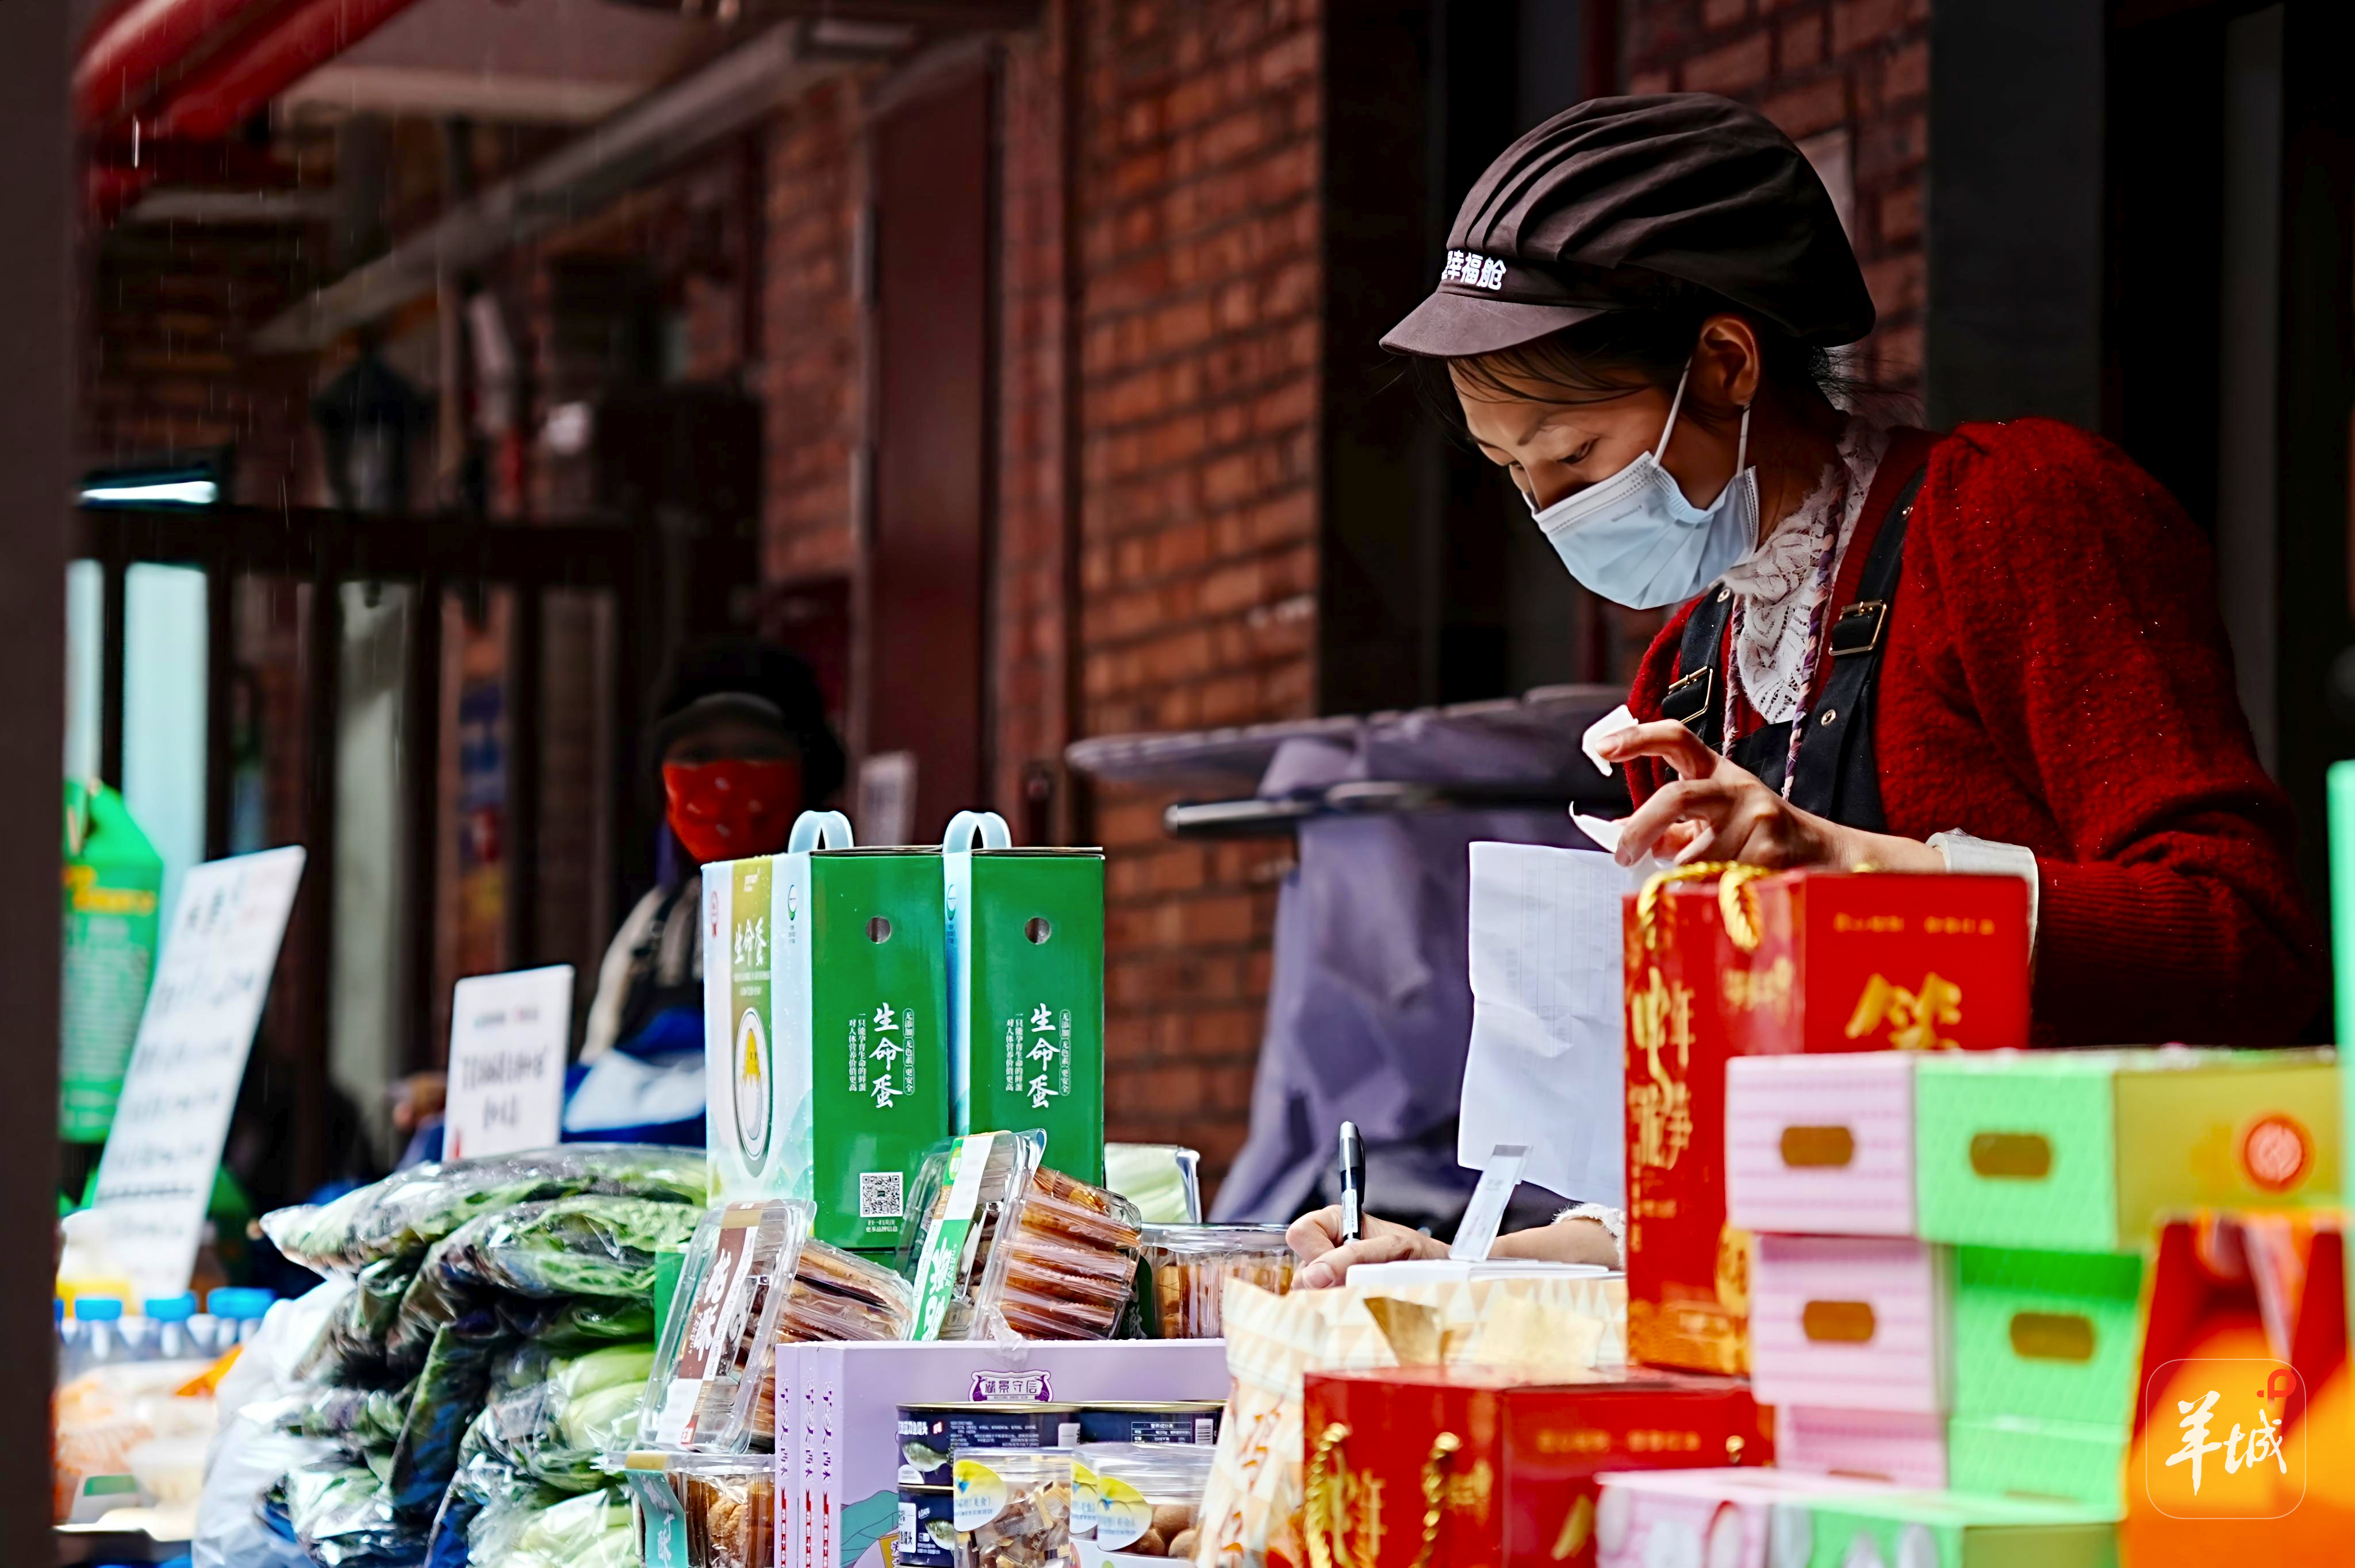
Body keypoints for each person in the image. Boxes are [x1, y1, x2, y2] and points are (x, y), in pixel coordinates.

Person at [1289, 93, 2325, 1286]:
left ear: (1726, 363)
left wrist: (1852, 868)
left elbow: (2249, 942)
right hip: (1835, 1321)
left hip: (2088, 1291)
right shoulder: (1684, 673)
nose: (1551, 508)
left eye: (1572, 453)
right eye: (1510, 470)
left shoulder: (2013, 517)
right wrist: (1464, 1265)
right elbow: (1709, 1179)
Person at [391, 637, 844, 1154]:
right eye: (698, 757)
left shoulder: (837, 908)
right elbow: (597, 1074)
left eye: (756, 753)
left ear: (811, 769)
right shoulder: (657, 922)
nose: (723, 781)